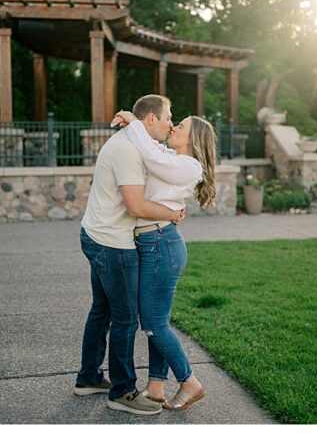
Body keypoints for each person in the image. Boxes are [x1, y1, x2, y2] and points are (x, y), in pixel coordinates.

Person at [76, 94, 183, 415]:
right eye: (168, 117)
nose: (171, 123)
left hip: (96, 233)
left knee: (103, 310)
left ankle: (88, 378)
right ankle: (122, 391)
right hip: (112, 243)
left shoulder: (133, 142)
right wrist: (172, 213)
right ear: (151, 119)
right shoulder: (127, 150)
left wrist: (133, 122)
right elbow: (136, 206)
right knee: (125, 317)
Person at [110, 101, 219, 411]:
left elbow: (149, 154)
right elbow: (152, 153)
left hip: (161, 244)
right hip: (153, 241)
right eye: (174, 122)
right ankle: (156, 387)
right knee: (158, 320)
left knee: (154, 323)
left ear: (193, 138)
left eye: (180, 126)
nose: (173, 127)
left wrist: (134, 120)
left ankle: (189, 382)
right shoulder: (171, 156)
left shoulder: (189, 165)